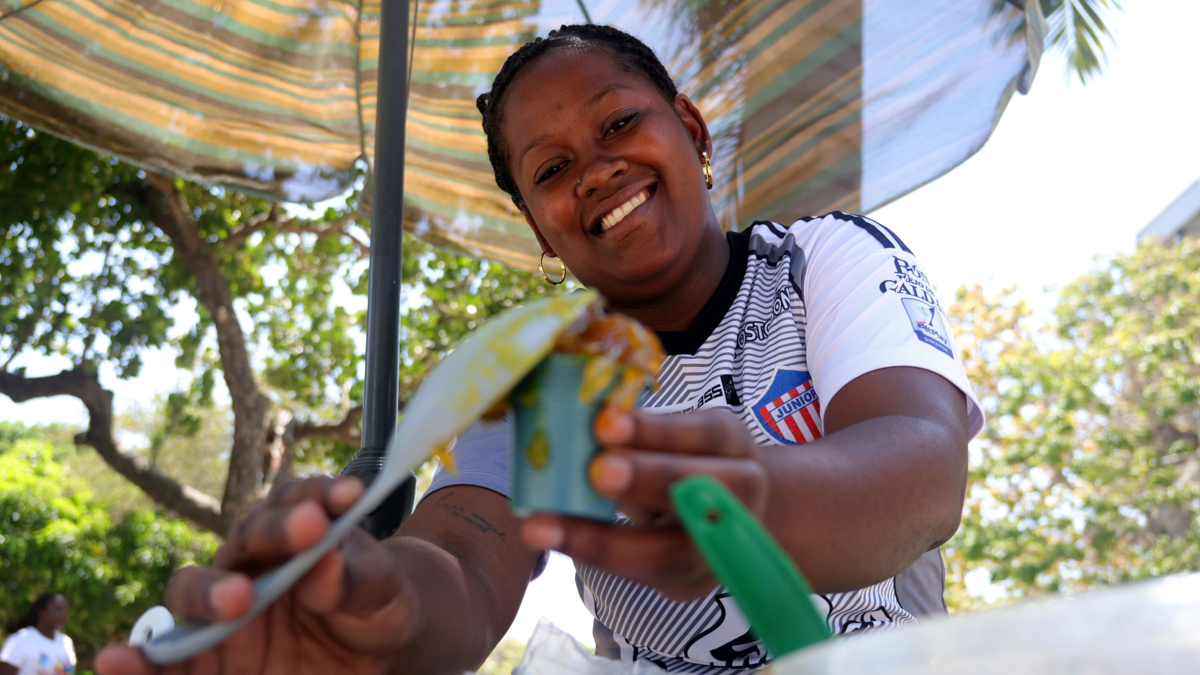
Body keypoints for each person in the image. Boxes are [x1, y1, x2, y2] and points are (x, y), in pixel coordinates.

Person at [96, 24, 982, 675]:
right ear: (540, 231)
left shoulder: (821, 261)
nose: (596, 170)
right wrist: (378, 603)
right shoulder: (555, 385)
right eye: (551, 171)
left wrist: (759, 500)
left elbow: (921, 468)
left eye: (619, 124)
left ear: (693, 131)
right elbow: (469, 563)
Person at [1, 593, 75, 675]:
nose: (63, 614)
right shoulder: (21, 640)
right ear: (41, 611)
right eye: (58, 609)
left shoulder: (66, 642)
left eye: (65, 609)